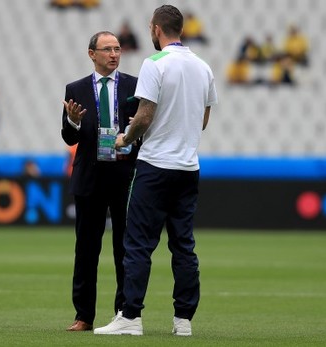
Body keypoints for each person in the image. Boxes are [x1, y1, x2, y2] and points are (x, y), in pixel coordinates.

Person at [94, 5, 217, 336]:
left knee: (138, 243)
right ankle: (183, 321)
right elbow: (203, 120)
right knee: (183, 245)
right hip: (188, 167)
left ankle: (131, 317)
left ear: (156, 29)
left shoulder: (154, 63)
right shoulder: (203, 67)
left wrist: (125, 138)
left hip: (155, 166)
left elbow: (145, 115)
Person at [61, 31, 139, 332]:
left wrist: (134, 135)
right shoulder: (76, 88)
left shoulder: (134, 85)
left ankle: (124, 313)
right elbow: (69, 137)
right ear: (92, 53)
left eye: (117, 49)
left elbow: (144, 127)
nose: (114, 54)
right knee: (86, 249)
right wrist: (74, 122)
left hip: (124, 175)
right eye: (107, 49)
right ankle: (83, 316)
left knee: (126, 249)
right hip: (90, 176)